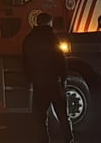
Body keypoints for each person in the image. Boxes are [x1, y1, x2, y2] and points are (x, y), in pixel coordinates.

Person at [23, 13, 74, 143]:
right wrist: (63, 78)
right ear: (49, 23)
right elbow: (60, 60)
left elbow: (25, 62)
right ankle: (68, 139)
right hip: (54, 83)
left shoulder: (28, 39)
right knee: (62, 115)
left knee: (40, 117)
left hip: (39, 84)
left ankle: (43, 140)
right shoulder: (53, 38)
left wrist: (30, 78)